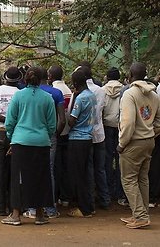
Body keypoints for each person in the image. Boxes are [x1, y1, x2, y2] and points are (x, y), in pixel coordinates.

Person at [1, 67, 56, 226]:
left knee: (18, 178)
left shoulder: (18, 96)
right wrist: (44, 134)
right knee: (40, 177)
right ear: (41, 80)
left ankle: (16, 215)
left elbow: (10, 122)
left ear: (25, 79)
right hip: (41, 142)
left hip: (20, 141)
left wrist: (12, 138)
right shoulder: (48, 98)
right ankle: (39, 214)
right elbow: (52, 124)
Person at [117, 62, 160, 229]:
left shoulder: (129, 94)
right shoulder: (154, 95)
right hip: (149, 141)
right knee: (142, 178)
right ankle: (141, 213)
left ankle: (140, 216)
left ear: (130, 75)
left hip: (133, 142)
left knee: (128, 180)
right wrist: (151, 132)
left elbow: (127, 123)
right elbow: (158, 121)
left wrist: (122, 143)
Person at [24, 67, 65, 219]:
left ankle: (33, 208)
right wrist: (54, 135)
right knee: (48, 171)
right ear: (46, 76)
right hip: (47, 135)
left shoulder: (24, 92)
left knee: (31, 171)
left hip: (28, 135)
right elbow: (62, 119)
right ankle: (50, 208)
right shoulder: (55, 93)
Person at [0, 67, 21, 216]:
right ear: (19, 78)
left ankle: (0, 207)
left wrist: (5, 120)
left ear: (5, 77)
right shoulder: (20, 94)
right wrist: (11, 121)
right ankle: (14, 205)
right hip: (16, 134)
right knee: (14, 171)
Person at [78, 65, 111, 210]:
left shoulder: (82, 92)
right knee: (101, 169)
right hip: (99, 132)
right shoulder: (101, 90)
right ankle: (105, 199)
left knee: (89, 169)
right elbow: (102, 111)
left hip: (86, 134)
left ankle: (90, 201)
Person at [66, 70, 96, 218]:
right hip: (88, 137)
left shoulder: (80, 98)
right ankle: (89, 205)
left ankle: (84, 208)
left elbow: (71, 121)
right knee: (84, 173)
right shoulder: (92, 95)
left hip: (77, 138)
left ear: (76, 83)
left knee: (77, 175)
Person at [48, 65, 73, 206]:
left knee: (55, 167)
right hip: (67, 132)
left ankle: (56, 196)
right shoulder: (68, 90)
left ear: (50, 76)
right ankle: (65, 197)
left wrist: (55, 133)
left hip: (57, 132)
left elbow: (60, 117)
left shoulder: (54, 91)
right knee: (65, 166)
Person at [102, 68, 124, 203]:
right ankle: (120, 193)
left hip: (106, 126)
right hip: (120, 126)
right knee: (120, 159)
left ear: (107, 77)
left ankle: (109, 192)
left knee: (108, 160)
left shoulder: (103, 90)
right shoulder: (124, 89)